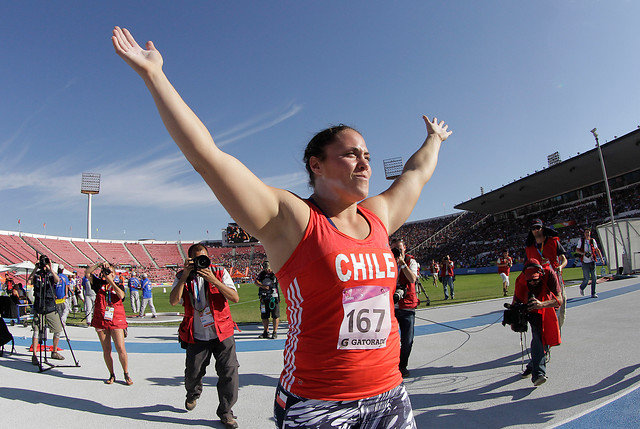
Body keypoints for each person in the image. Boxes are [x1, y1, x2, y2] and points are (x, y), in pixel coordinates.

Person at [113, 26, 451, 428]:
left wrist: (434, 139)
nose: (364, 162)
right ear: (316, 165)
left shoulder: (378, 216)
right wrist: (155, 76)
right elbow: (209, 158)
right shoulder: (291, 219)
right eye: (350, 154)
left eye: (367, 154)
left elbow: (415, 174)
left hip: (389, 394)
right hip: (318, 404)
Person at [170, 244, 240, 429]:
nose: (200, 263)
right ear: (189, 260)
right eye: (195, 259)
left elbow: (234, 297)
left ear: (209, 258)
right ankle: (192, 393)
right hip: (196, 335)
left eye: (203, 258)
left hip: (222, 332)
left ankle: (226, 412)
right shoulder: (181, 276)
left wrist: (215, 281)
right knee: (193, 372)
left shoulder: (220, 272)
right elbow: (173, 301)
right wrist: (185, 275)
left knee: (229, 371)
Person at [511, 258, 562, 386]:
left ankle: (533, 365)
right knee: (538, 335)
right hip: (532, 311)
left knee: (547, 339)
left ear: (541, 274)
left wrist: (541, 304)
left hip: (548, 306)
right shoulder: (521, 281)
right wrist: (513, 319)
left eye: (535, 279)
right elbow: (515, 302)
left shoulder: (549, 274)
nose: (533, 282)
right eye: (530, 280)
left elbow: (559, 300)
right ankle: (539, 374)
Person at [86, 261, 133, 385]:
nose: (108, 273)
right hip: (101, 319)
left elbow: (121, 295)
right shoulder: (98, 284)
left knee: (121, 348)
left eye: (110, 271)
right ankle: (111, 374)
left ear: (114, 274)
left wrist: (110, 281)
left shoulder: (118, 284)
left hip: (116, 320)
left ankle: (126, 373)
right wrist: (98, 264)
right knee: (106, 350)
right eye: (106, 271)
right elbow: (87, 273)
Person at [525, 219, 568, 328]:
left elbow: (564, 259)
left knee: (560, 308)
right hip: (539, 284)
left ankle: (557, 332)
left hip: (555, 281)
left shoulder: (553, 242)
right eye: (533, 228)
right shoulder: (529, 248)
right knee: (541, 312)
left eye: (538, 227)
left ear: (542, 228)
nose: (536, 230)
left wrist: (560, 266)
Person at [28, 255, 65, 365]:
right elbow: (29, 281)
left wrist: (51, 269)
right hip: (39, 306)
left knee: (57, 330)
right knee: (36, 331)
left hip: (50, 306)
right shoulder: (37, 274)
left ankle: (54, 351)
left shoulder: (50, 274)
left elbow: (57, 280)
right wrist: (35, 268)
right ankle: (34, 355)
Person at [390, 238, 419, 378]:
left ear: (405, 248)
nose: (396, 252)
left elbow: (412, 278)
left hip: (407, 306)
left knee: (407, 340)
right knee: (390, 340)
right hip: (391, 306)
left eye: (399, 249)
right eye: (394, 249)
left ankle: (403, 365)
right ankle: (392, 366)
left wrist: (402, 264)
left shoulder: (410, 261)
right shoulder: (387, 261)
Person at [255, 261, 280, 339]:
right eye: (266, 269)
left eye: (269, 269)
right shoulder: (262, 274)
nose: (268, 271)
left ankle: (275, 332)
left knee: (275, 315)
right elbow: (256, 281)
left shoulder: (276, 273)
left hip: (274, 297)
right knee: (264, 316)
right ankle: (266, 331)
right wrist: (262, 286)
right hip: (264, 297)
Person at [576, 227, 603, 298]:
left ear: (590, 233)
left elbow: (597, 250)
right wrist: (584, 253)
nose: (587, 234)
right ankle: (582, 287)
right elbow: (577, 250)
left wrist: (601, 259)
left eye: (588, 232)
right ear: (584, 234)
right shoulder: (581, 241)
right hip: (585, 262)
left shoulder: (592, 241)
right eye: (586, 232)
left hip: (592, 261)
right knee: (587, 278)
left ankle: (593, 293)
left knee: (594, 278)